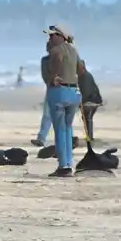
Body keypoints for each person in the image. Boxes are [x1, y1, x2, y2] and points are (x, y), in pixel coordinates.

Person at [44, 25, 85, 177]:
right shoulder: (74, 50)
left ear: (60, 36)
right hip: (73, 92)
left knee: (60, 129)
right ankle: (68, 163)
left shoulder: (56, 50)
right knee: (68, 128)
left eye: (52, 35)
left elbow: (58, 60)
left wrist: (54, 75)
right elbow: (82, 70)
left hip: (59, 92)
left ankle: (64, 166)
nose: (49, 38)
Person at [32, 51, 54, 147]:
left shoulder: (68, 56)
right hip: (53, 88)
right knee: (47, 115)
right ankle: (41, 138)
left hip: (62, 89)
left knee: (50, 116)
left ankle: (42, 138)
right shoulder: (45, 60)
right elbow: (45, 77)